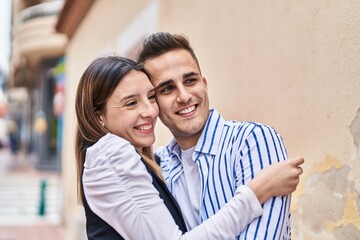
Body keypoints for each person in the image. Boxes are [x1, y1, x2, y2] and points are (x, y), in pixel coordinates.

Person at [75, 55, 303, 239]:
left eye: (151, 97)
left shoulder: (155, 162)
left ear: (205, 83)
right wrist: (256, 192)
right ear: (99, 117)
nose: (150, 111)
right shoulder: (112, 154)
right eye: (131, 103)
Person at [137, 32, 303, 239]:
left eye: (190, 81)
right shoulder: (158, 167)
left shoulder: (252, 141)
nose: (184, 96)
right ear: (153, 102)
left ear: (204, 84)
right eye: (168, 88)